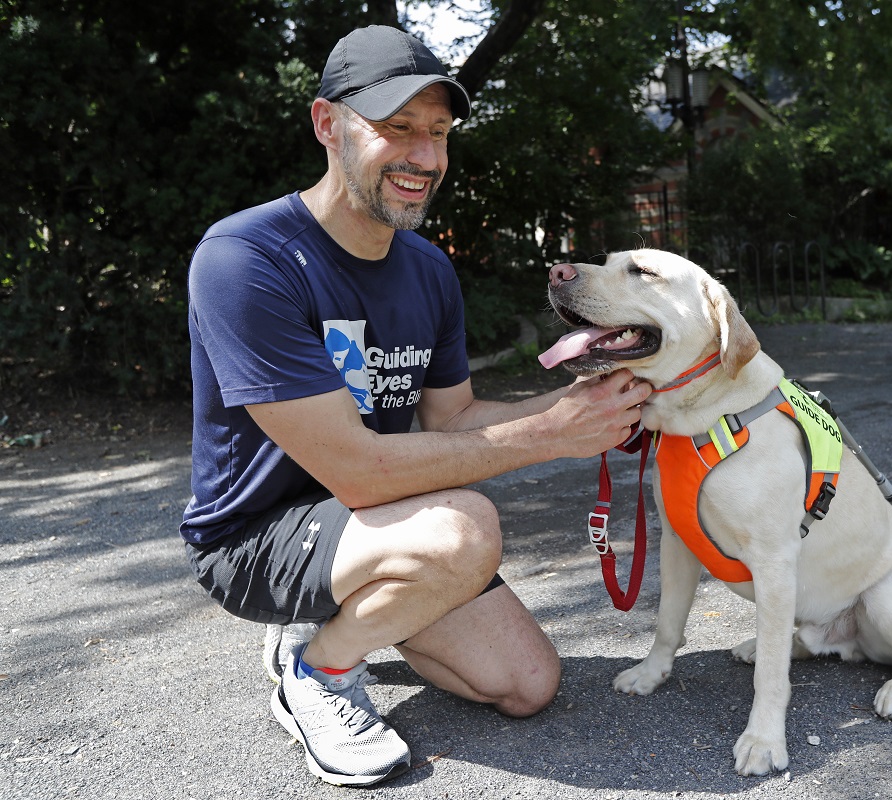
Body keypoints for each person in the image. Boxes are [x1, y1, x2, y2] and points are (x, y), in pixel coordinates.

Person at [181, 25, 651, 788]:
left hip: (379, 526)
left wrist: (585, 405)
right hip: (256, 539)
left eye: (437, 133)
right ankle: (317, 668)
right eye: (396, 129)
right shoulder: (245, 261)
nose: (425, 158)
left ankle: (342, 618)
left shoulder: (429, 268)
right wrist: (549, 436)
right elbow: (359, 472)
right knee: (465, 529)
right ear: (326, 124)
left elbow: (453, 419)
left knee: (527, 685)